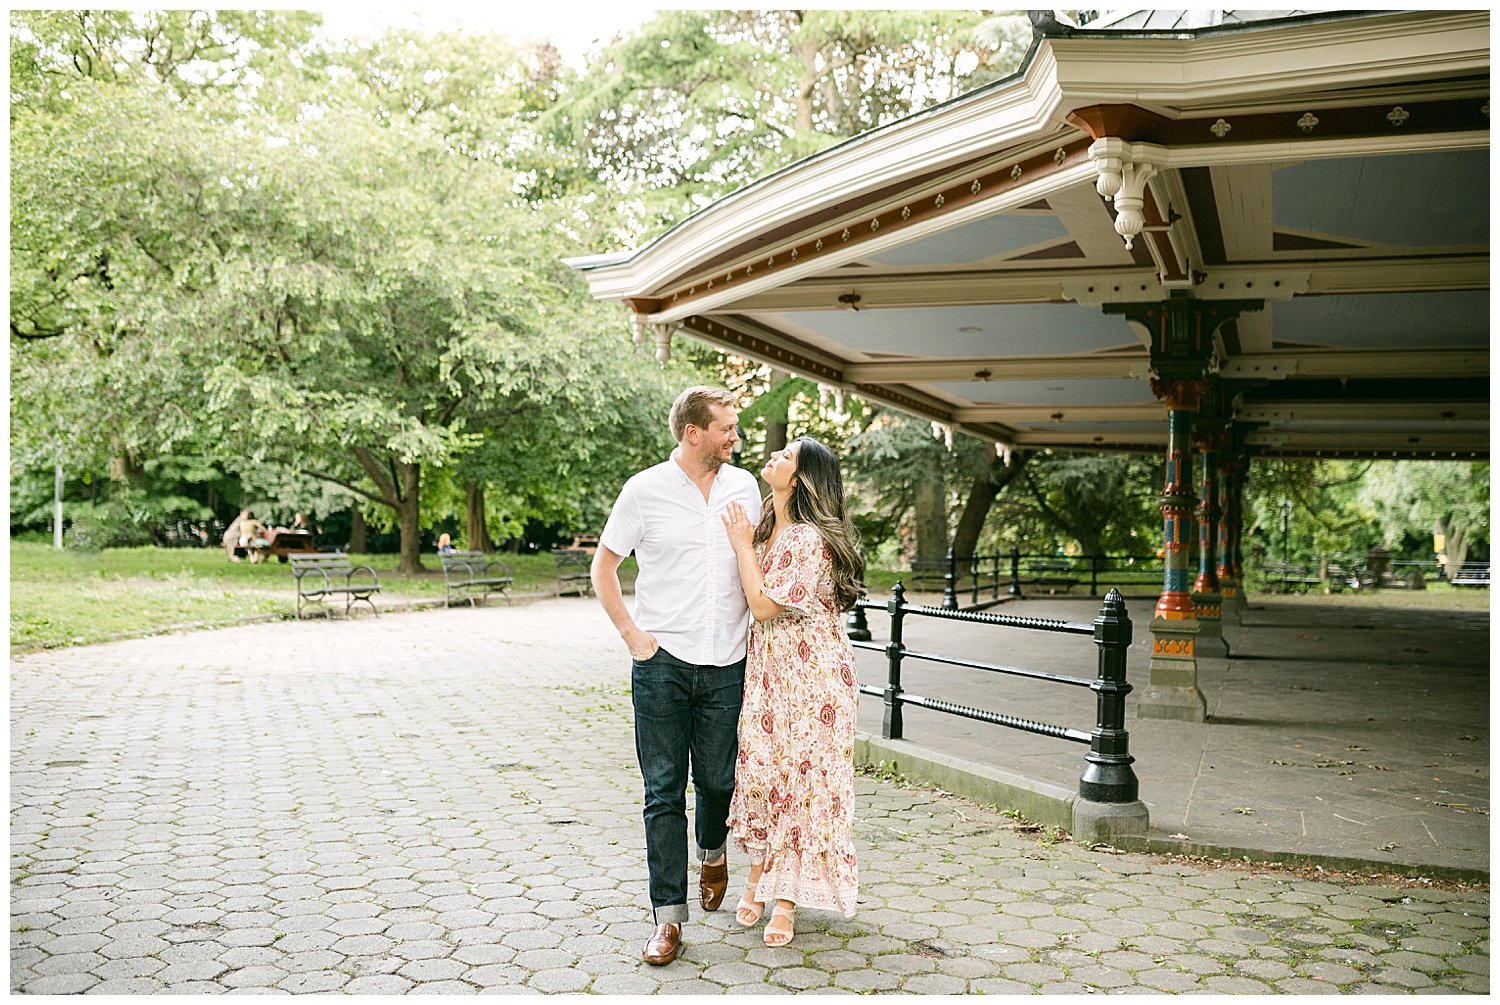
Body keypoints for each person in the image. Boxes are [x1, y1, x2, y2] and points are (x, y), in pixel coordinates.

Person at [592, 386, 762, 966]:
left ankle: (712, 850)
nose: (734, 437)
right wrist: (633, 637)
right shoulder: (643, 491)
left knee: (717, 783)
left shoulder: (744, 488)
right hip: (662, 665)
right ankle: (668, 918)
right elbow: (604, 567)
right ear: (694, 433)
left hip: (728, 663)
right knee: (662, 794)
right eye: (726, 429)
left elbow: (763, 559)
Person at [720, 436, 864, 947]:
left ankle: (787, 900)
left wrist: (740, 546)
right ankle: (759, 875)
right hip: (767, 672)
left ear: (799, 479)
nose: (774, 457)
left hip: (813, 680)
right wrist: (747, 542)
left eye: (786, 457)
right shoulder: (765, 528)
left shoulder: (807, 539)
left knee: (803, 782)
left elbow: (762, 606)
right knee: (763, 770)